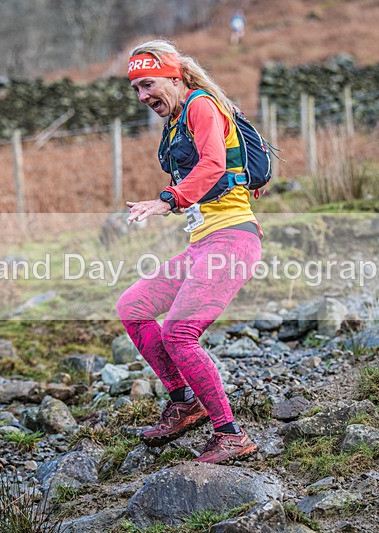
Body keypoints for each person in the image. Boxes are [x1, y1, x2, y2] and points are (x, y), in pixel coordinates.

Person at [116, 39, 261, 464]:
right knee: (134, 307)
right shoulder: (178, 119)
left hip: (232, 240)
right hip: (203, 244)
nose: (143, 97)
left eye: (148, 85)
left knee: (179, 332)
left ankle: (231, 434)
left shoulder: (201, 105)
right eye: (136, 90)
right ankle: (184, 401)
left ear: (173, 76)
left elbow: (214, 165)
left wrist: (167, 200)